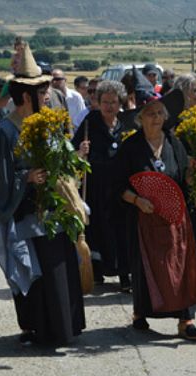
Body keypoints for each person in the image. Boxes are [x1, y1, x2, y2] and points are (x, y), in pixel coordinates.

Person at [0, 43, 85, 346]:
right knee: (34, 273)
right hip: (26, 213)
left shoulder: (49, 125)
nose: (47, 98)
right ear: (27, 97)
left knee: (60, 267)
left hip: (54, 211)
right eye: (43, 94)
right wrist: (25, 178)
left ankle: (65, 327)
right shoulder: (5, 132)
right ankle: (37, 328)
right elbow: (0, 181)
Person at [113, 88, 196, 340]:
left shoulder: (175, 143)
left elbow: (184, 178)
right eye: (150, 114)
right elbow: (117, 185)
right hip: (143, 217)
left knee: (181, 264)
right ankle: (140, 313)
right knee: (147, 268)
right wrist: (137, 199)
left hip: (174, 216)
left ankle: (186, 320)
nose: (156, 118)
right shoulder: (130, 147)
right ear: (140, 118)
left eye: (159, 113)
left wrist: (194, 170)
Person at [72, 80, 131, 290]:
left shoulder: (125, 124)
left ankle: (125, 275)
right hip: (96, 184)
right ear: (98, 102)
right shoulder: (90, 121)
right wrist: (81, 150)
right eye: (105, 102)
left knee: (121, 230)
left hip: (119, 186)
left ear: (120, 102)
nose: (109, 107)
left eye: (114, 102)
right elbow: (73, 150)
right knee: (96, 229)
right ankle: (97, 273)